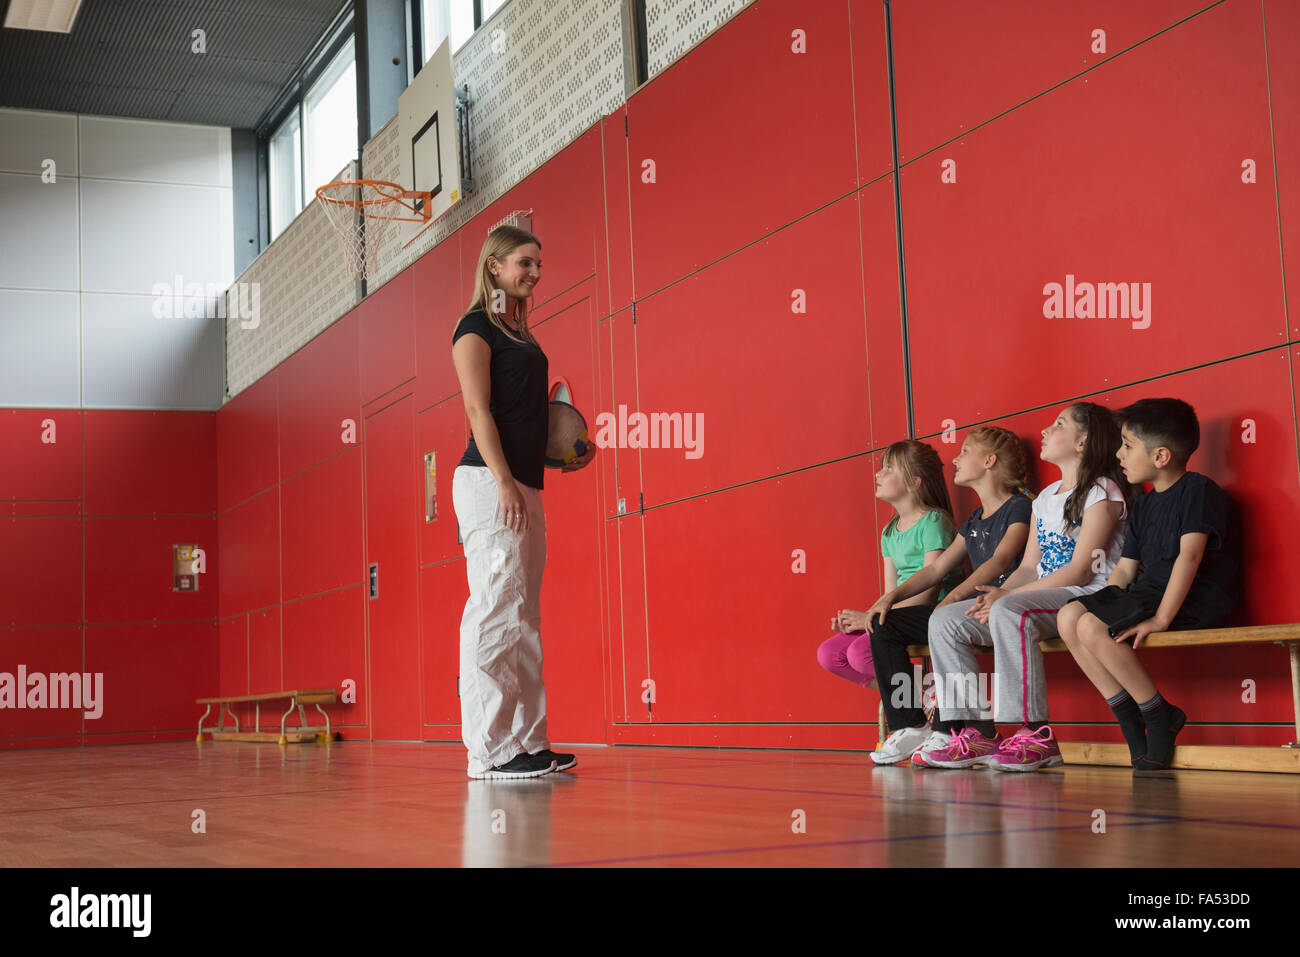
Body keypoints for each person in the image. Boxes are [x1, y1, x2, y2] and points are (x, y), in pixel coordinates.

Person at [450, 225, 595, 780]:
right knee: (494, 609)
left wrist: (563, 456)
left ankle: (529, 742)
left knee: (523, 617)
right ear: (494, 266)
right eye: (524, 264)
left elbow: (524, 418)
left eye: (538, 265)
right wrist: (505, 481)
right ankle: (488, 752)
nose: (534, 274)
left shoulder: (523, 335)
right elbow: (478, 411)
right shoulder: (475, 328)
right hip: (490, 485)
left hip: (523, 484)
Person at [925, 403, 1137, 771]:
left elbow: (1080, 572)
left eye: (1059, 424)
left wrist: (1008, 598)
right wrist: (996, 596)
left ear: (1083, 442)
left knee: (1009, 609)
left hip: (1086, 599)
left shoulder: (1103, 491)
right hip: (1037, 599)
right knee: (945, 621)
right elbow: (1027, 568)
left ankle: (1037, 735)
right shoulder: (1043, 498)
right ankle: (978, 732)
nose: (1045, 431)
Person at [1057, 398, 1240, 770]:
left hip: (1193, 598)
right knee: (1069, 617)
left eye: (1127, 445)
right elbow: (1125, 570)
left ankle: (1157, 714)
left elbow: (1189, 558)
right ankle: (1129, 716)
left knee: (1093, 626)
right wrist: (1104, 601)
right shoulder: (1143, 505)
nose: (1118, 454)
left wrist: (1161, 619)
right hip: (1150, 594)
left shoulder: (1198, 491)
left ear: (1160, 456)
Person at [864, 427, 1033, 767]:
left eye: (965, 451)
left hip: (1003, 605)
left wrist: (950, 599)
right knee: (884, 624)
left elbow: (1001, 560)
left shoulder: (1020, 507)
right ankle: (911, 724)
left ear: (990, 461)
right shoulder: (973, 521)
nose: (955, 458)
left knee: (943, 622)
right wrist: (890, 598)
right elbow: (936, 568)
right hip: (970, 608)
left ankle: (950, 729)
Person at [819, 440, 962, 755]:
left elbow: (928, 592)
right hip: (897, 614)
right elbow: (889, 593)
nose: (878, 474)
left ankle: (914, 714)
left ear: (915, 482)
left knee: (860, 654)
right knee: (830, 654)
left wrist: (869, 618)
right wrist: (864, 618)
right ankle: (922, 694)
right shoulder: (889, 531)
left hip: (933, 613)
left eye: (888, 468)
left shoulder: (934, 521)